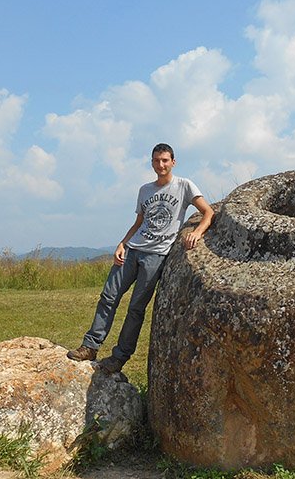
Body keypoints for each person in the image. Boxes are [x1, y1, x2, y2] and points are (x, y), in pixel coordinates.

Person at [67, 143, 214, 374]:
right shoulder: (145, 190)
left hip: (156, 256)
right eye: (156, 160)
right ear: (152, 162)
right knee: (108, 297)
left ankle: (119, 358)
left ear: (173, 162)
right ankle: (90, 346)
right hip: (132, 250)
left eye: (165, 160)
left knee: (136, 308)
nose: (160, 164)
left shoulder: (184, 185)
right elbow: (139, 222)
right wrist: (122, 243)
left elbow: (208, 212)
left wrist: (197, 232)